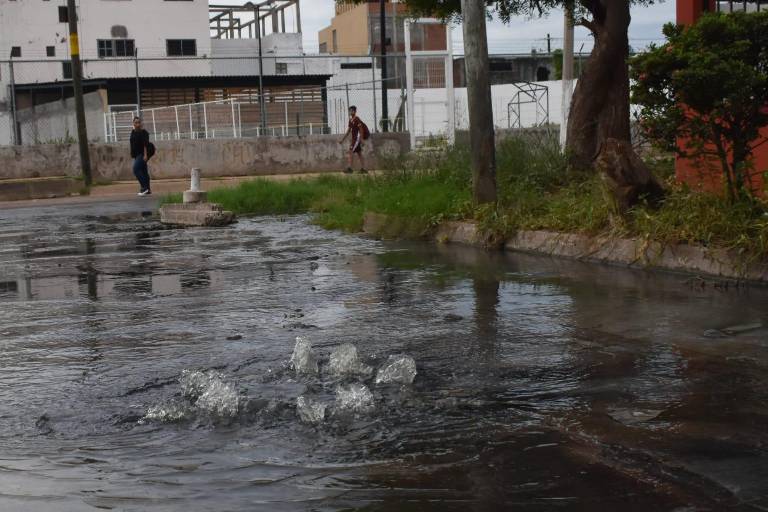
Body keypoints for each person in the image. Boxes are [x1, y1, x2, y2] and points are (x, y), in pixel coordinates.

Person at [339, 106, 367, 174]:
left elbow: (361, 129)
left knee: (350, 151)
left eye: (351, 110)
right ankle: (363, 169)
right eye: (349, 111)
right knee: (359, 153)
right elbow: (348, 131)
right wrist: (342, 139)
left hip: (357, 139)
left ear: (355, 111)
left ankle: (350, 169)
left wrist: (361, 139)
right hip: (354, 139)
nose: (350, 112)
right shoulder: (350, 120)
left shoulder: (357, 119)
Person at [130, 117, 152, 196]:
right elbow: (132, 144)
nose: (138, 124)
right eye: (136, 122)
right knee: (144, 171)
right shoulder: (133, 132)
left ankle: (144, 187)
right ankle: (148, 189)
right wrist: (133, 155)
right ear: (133, 123)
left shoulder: (144, 132)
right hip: (136, 155)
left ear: (141, 123)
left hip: (142, 154)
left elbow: (145, 144)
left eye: (139, 122)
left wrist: (146, 155)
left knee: (135, 169)